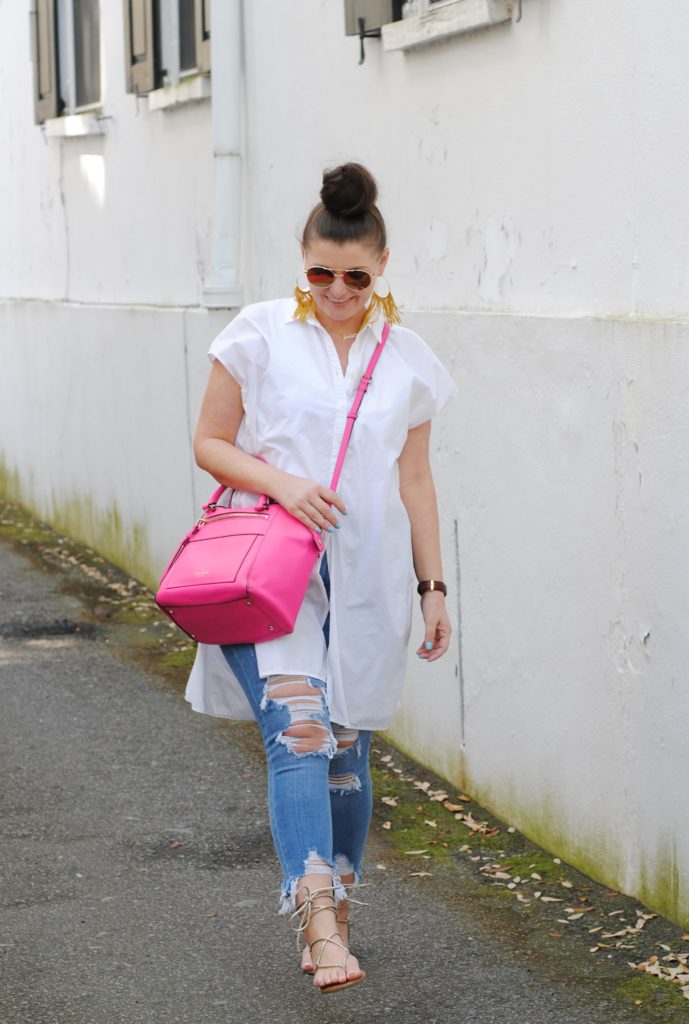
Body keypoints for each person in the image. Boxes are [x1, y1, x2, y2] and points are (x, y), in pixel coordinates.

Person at [185, 162, 456, 993]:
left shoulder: (407, 360)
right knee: (300, 729)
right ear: (300, 261)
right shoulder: (257, 334)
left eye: (355, 276)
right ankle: (319, 924)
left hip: (368, 578)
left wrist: (432, 586)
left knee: (347, 747)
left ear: (381, 269)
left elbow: (414, 479)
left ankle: (337, 900)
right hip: (273, 570)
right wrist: (285, 484)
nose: (336, 291)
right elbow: (210, 442)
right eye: (319, 273)